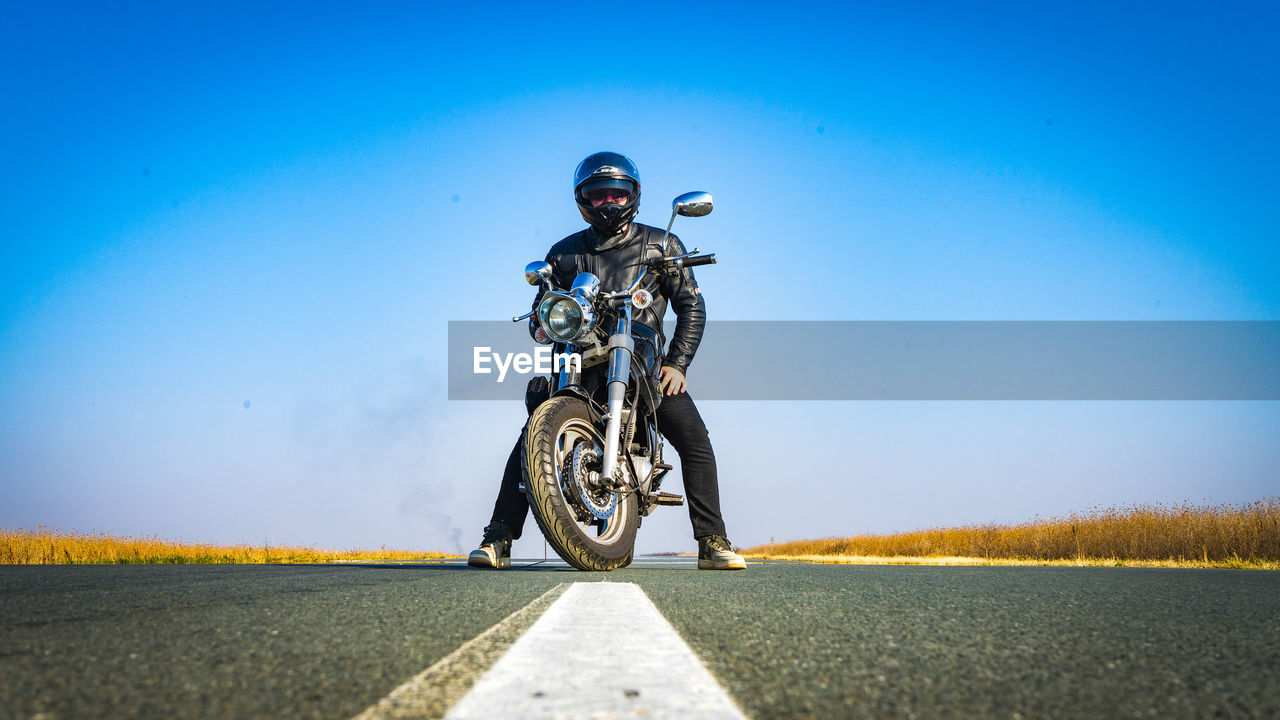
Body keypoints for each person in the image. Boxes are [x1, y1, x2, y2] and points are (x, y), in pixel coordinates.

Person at [468, 151, 746, 571]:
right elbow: (542, 311)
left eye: (616, 195)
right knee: (531, 438)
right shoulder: (563, 255)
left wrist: (678, 364)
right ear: (582, 200)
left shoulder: (662, 243)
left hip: (646, 366)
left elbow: (692, 306)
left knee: (695, 441)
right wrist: (541, 327)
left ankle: (712, 541)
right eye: (597, 197)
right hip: (583, 363)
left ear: (633, 195)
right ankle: (499, 538)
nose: (608, 204)